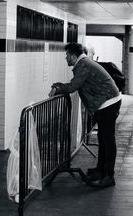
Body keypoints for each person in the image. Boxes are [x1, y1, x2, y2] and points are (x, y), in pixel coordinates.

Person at [49, 43, 122, 188]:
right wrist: (58, 85)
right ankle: (100, 170)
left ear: (73, 55)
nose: (66, 58)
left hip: (108, 103)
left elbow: (72, 87)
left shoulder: (83, 65)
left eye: (67, 55)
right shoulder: (84, 63)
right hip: (106, 102)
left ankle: (109, 176)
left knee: (108, 140)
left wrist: (57, 88)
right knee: (103, 138)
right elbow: (74, 85)